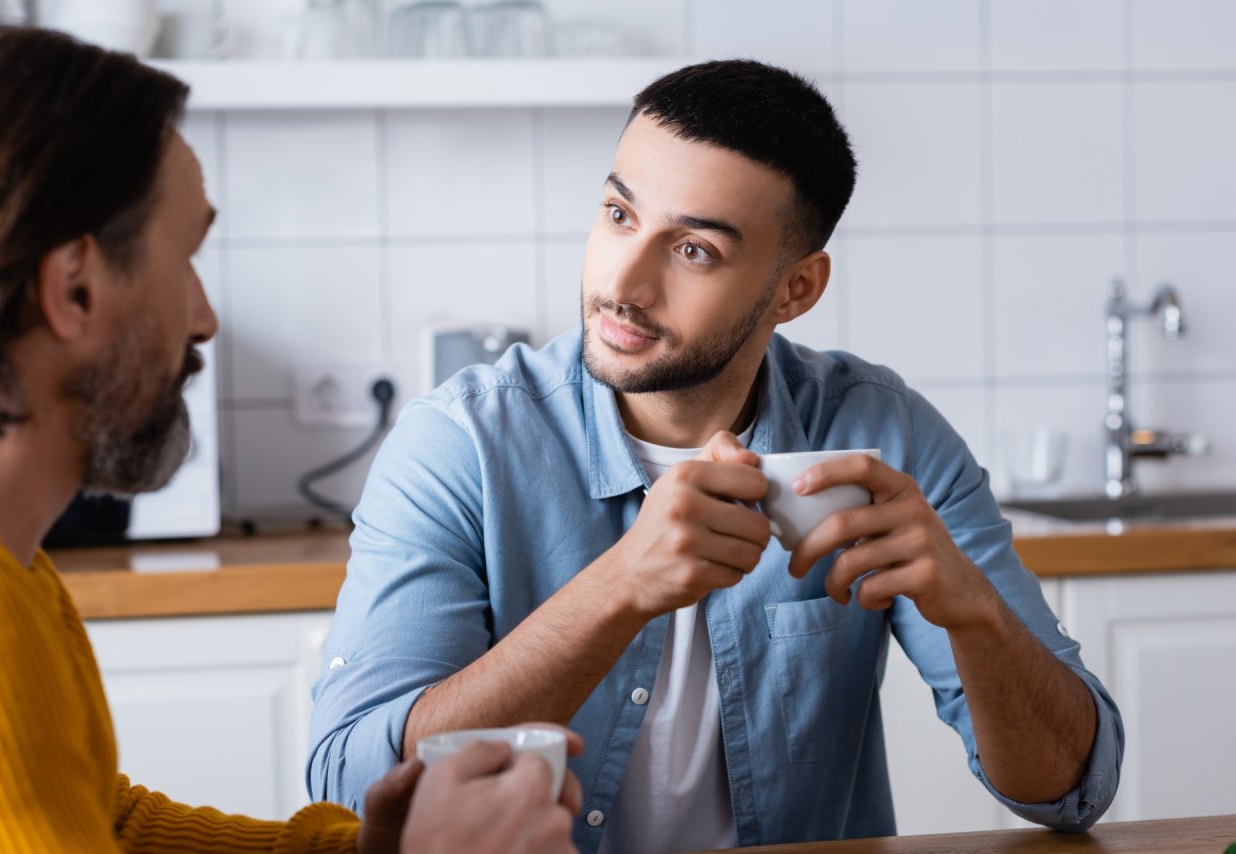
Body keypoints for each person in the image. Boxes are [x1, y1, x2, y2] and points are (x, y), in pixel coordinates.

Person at [308, 59, 1125, 853]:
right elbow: (352, 795)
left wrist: (977, 614)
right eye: (619, 215)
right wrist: (620, 586)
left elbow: (1069, 790)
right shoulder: (461, 443)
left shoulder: (887, 439)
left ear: (794, 290)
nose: (624, 282)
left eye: (694, 249)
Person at [0, 27, 580, 854]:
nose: (205, 317)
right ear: (72, 287)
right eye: (184, 258)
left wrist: (362, 851)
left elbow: (109, 823)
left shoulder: (12, 569)